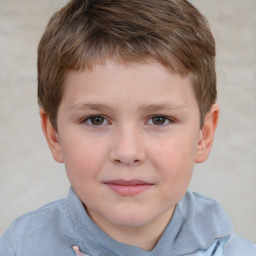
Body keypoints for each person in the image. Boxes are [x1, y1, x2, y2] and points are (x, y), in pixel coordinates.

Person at [0, 0, 255, 255]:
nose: (127, 151)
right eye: (96, 119)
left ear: (204, 135)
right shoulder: (19, 248)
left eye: (159, 119)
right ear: (54, 135)